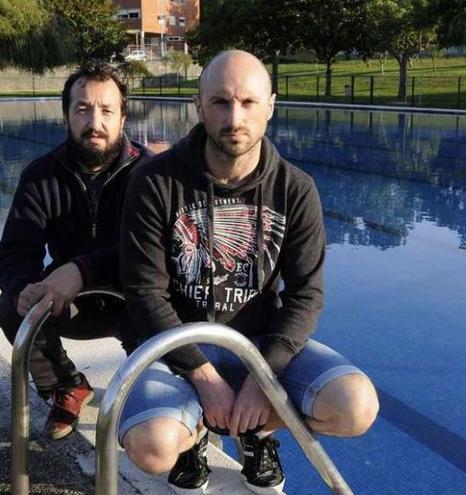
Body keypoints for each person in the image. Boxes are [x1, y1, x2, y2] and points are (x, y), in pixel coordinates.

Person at [116, 50, 379, 494]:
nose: (234, 117)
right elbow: (145, 292)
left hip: (258, 344)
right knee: (152, 448)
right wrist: (203, 376)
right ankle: (192, 440)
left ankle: (255, 432)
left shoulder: (295, 189)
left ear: (271, 106)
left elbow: (305, 294)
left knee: (355, 407)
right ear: (198, 106)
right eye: (220, 102)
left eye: (248, 102)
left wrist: (263, 376)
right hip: (175, 350)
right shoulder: (155, 181)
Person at [0, 62, 150, 440]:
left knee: (167, 315)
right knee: (12, 308)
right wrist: (24, 287)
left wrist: (84, 268)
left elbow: (150, 252)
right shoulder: (42, 174)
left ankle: (155, 401)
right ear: (66, 116)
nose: (94, 121)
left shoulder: (150, 175)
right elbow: (16, 251)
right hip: (71, 300)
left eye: (106, 110)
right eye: (82, 109)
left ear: (123, 117)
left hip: (135, 299)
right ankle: (67, 385)